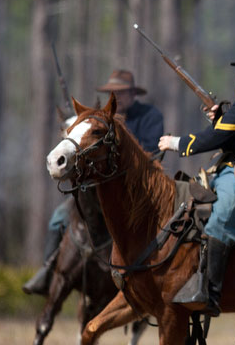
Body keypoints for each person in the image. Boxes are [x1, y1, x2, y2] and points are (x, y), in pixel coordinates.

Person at [158, 49, 235, 316]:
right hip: (232, 167)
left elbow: (215, 139)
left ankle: (209, 292)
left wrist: (176, 143)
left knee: (222, 215)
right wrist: (221, 115)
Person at [23, 70, 164, 295]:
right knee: (59, 218)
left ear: (132, 93)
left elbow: (153, 153)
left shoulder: (150, 117)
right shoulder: (99, 119)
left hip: (134, 189)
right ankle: (47, 271)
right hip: (98, 187)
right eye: (112, 92)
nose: (116, 96)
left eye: (121, 92)